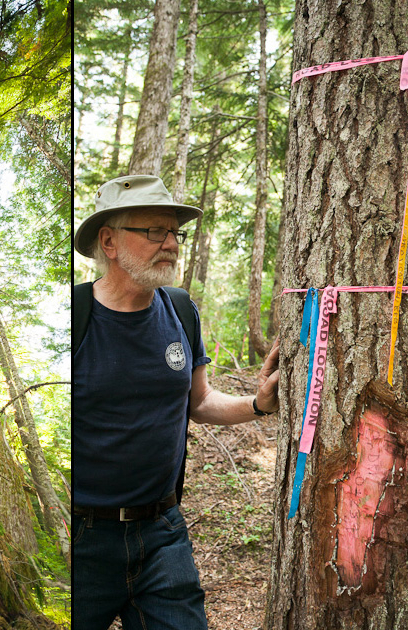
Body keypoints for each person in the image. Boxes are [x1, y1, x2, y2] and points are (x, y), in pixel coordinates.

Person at [72, 174, 280, 630]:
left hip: (163, 533)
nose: (170, 243)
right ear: (108, 241)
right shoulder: (77, 315)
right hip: (83, 539)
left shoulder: (180, 310)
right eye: (154, 231)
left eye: (174, 232)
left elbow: (199, 401)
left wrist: (258, 404)